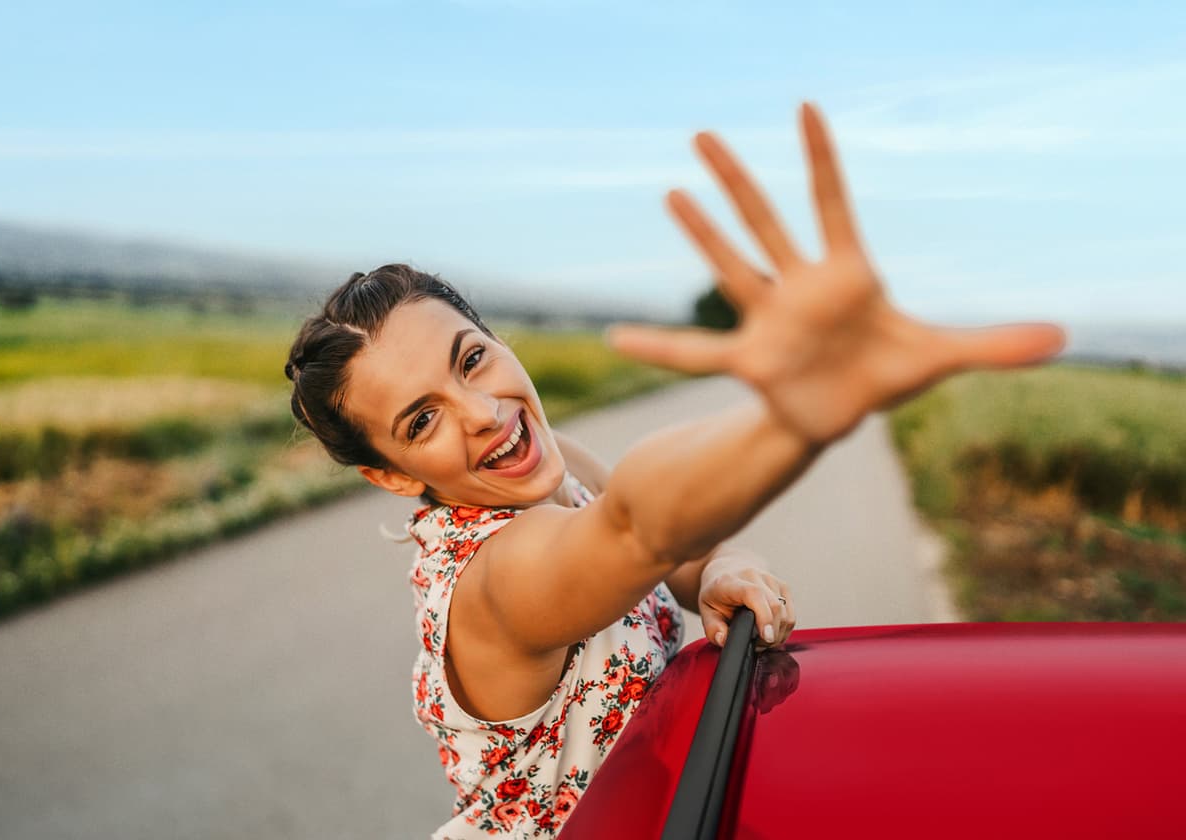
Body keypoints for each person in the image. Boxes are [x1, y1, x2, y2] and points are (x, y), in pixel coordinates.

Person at [280, 102, 1065, 839]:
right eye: (422, 421)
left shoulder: (553, 472)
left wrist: (725, 566)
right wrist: (791, 421)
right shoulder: (495, 583)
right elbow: (640, 530)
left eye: (473, 360)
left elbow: (676, 548)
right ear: (388, 473)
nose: (482, 412)